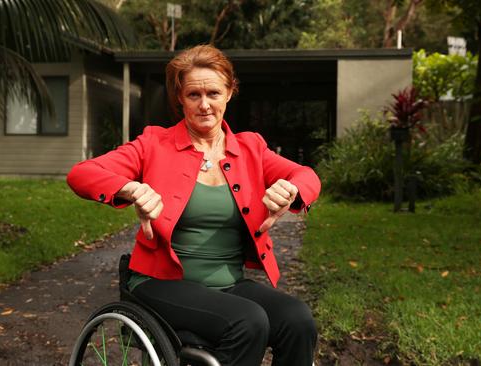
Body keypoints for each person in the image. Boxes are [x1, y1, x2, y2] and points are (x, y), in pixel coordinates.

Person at [67, 44, 321, 366]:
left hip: (228, 283)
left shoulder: (251, 148)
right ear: (180, 98)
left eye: (213, 93)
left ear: (229, 93)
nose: (204, 105)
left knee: (297, 319)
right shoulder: (153, 144)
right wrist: (130, 188)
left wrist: (292, 189)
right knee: (248, 321)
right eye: (193, 95)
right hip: (160, 282)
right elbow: (82, 174)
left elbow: (307, 176)